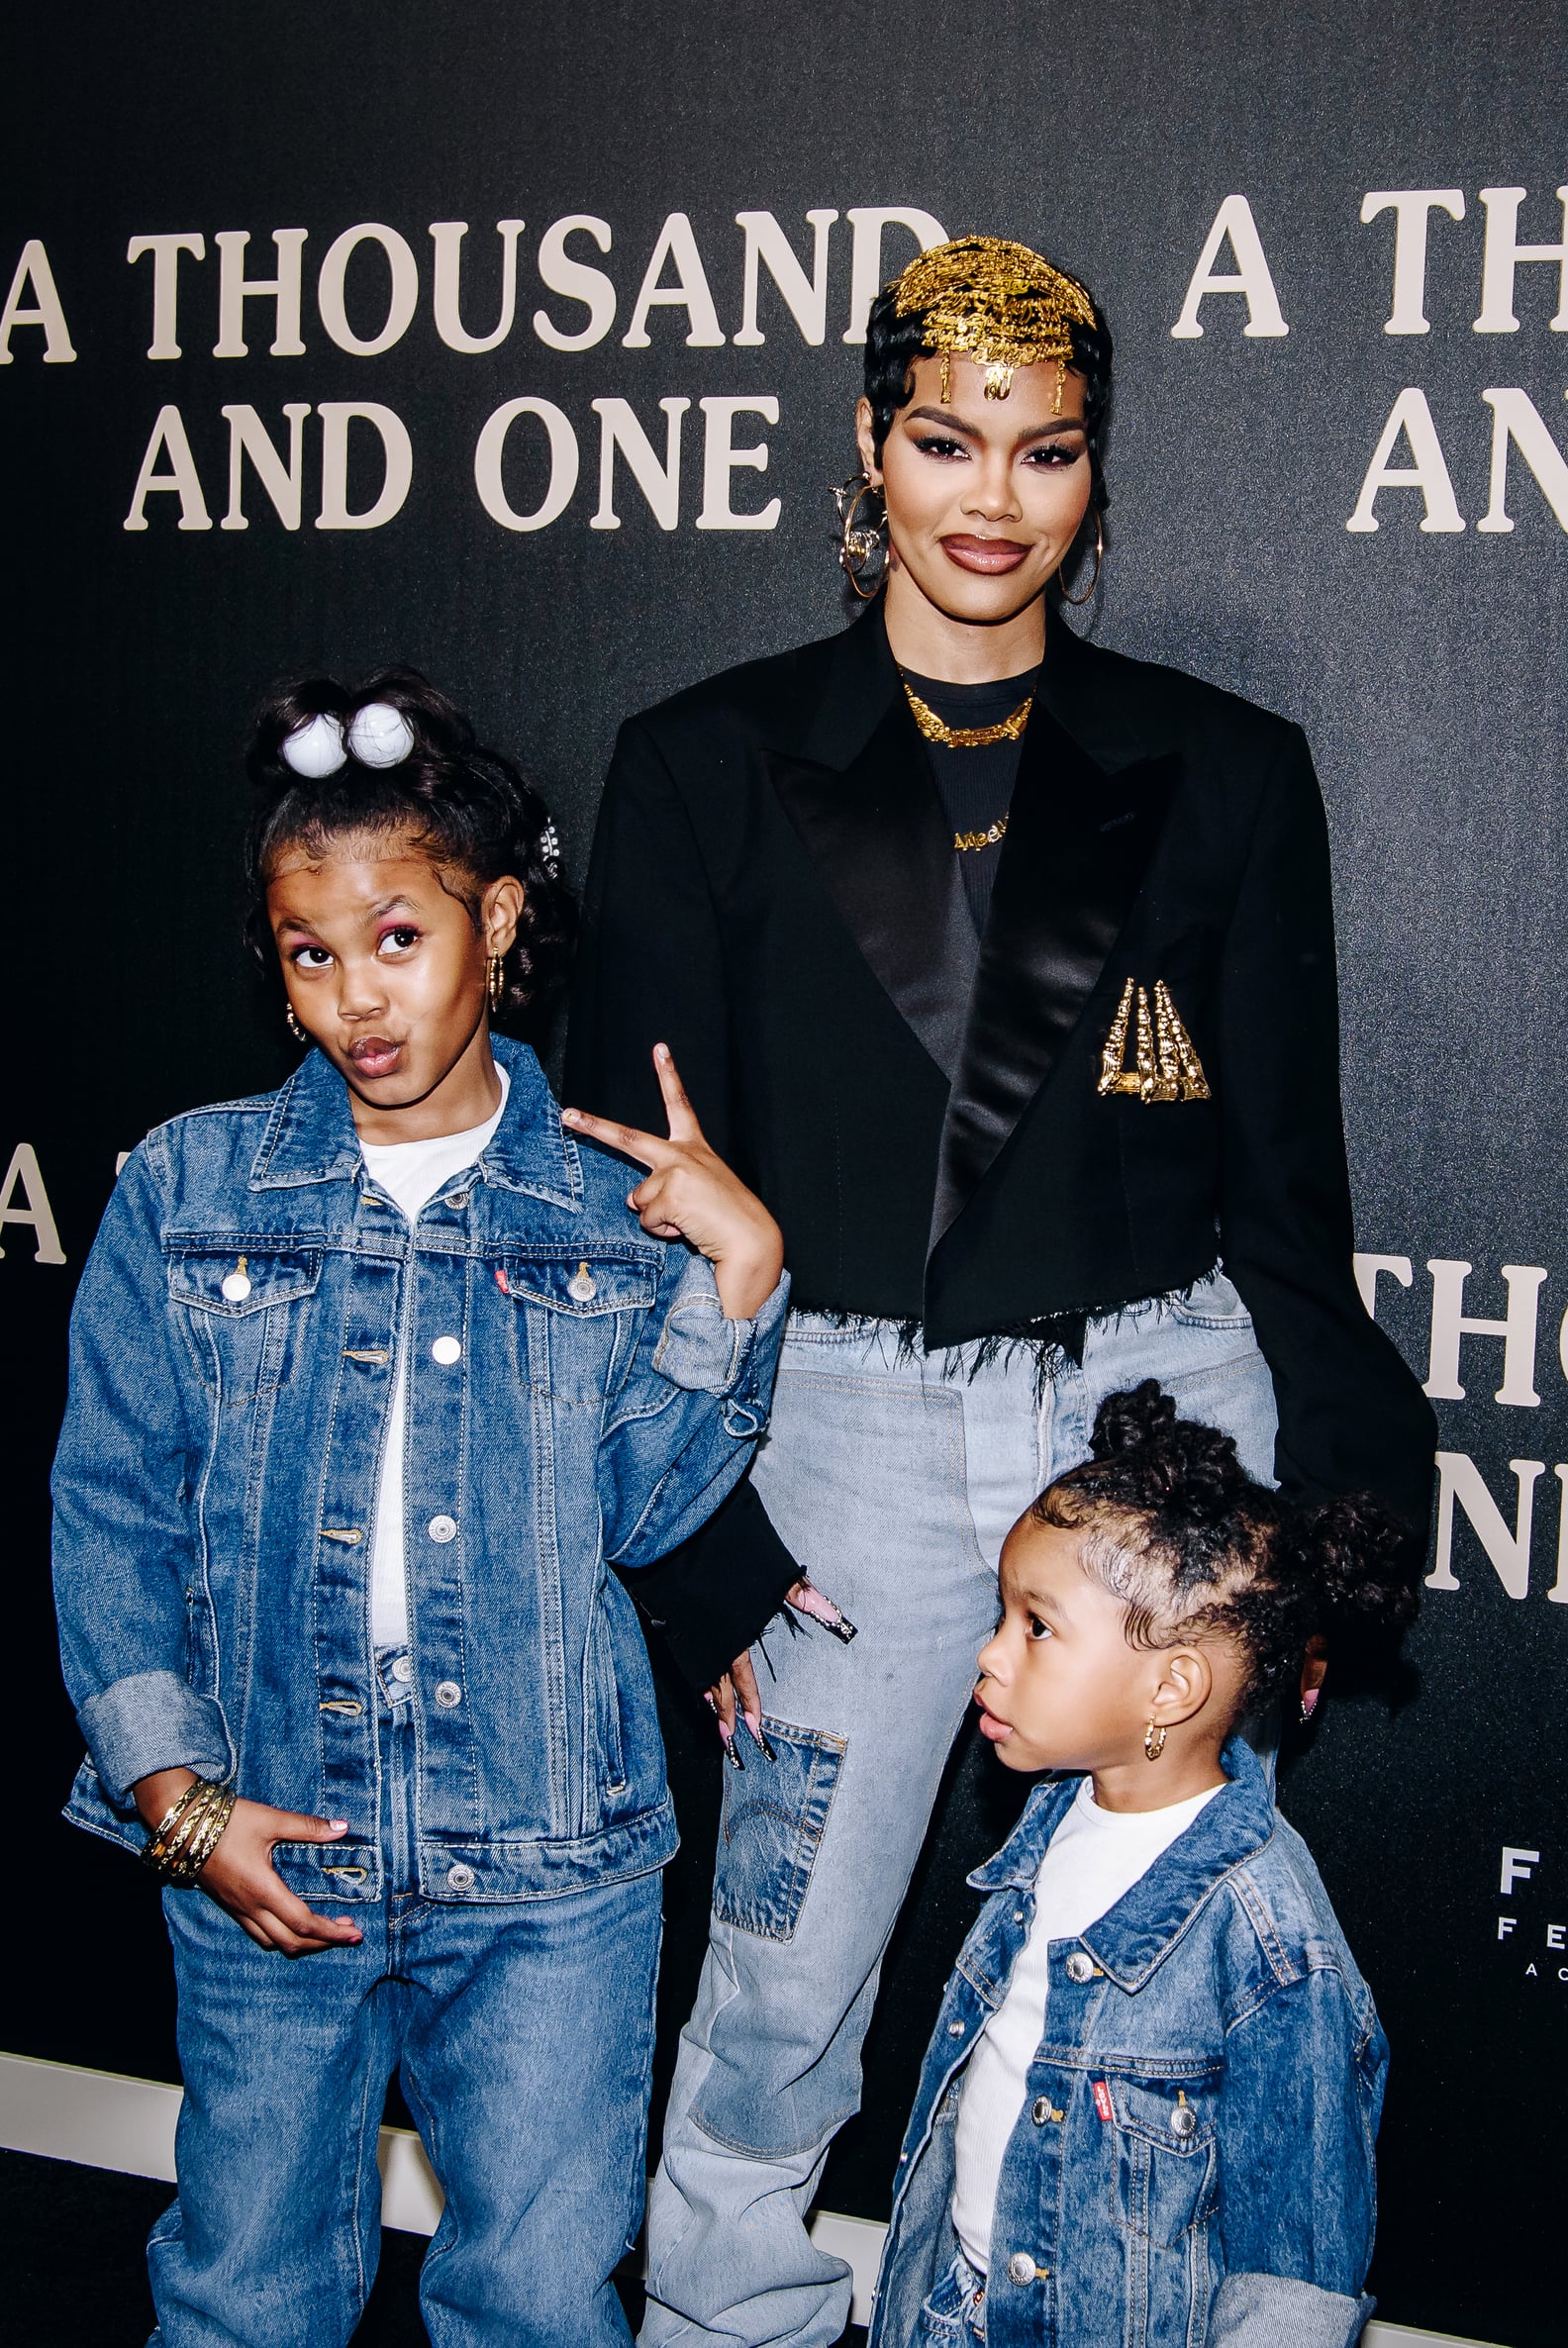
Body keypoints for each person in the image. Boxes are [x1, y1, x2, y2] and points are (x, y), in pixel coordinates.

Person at [565, 236, 1436, 2348]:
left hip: (1156, 1412)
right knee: (779, 1971)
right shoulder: (700, 762)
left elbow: (1285, 1189)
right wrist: (692, 1539)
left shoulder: (1225, 769)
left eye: (1045, 452)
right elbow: (623, 1210)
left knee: (1159, 1952)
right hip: (836, 1422)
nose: (991, 495)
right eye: (945, 438)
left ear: (1095, 479)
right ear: (868, 449)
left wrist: (1319, 1520)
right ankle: (730, 2321)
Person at [50, 670, 787, 2348]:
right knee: (242, 2293)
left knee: (533, 2298)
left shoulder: (613, 1209)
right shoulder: (186, 1189)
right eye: (310, 952)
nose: (353, 998)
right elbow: (111, 1518)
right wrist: (180, 1804)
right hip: (266, 1844)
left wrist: (730, 1288)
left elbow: (648, 1512)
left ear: (499, 914)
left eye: (398, 937)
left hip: (547, 1867)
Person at [869, 1381, 1415, 2348]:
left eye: (1035, 1626)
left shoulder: (1270, 1940)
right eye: (1004, 1616)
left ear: (1171, 1685)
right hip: (957, 2302)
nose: (991, 1655)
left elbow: (1296, 2267)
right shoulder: (1048, 1823)